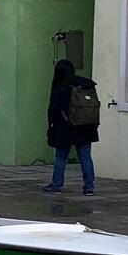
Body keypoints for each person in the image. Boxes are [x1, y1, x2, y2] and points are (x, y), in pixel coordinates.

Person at [44, 58, 100, 194]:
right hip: (86, 126)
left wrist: (51, 126)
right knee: (85, 157)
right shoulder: (87, 85)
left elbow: (53, 110)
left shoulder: (60, 88)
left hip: (65, 127)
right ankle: (89, 187)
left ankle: (56, 184)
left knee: (60, 157)